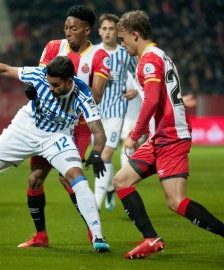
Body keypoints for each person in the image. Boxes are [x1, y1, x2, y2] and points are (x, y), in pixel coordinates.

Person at [0, 55, 111, 252]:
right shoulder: (40, 75)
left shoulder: (82, 92)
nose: (51, 88)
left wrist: (96, 153)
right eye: (49, 84)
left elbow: (98, 130)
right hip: (25, 129)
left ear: (69, 81)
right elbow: (4, 68)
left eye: (55, 85)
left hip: (57, 136)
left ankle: (98, 237)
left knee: (77, 178)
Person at [113, 10, 224, 264]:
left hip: (171, 137)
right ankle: (151, 238)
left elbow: (152, 99)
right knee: (122, 181)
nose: (122, 44)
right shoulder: (160, 55)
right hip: (160, 137)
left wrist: (134, 134)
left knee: (176, 201)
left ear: (135, 35)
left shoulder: (148, 60)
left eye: (123, 39)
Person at [19, 5, 110, 248]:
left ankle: (94, 232)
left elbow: (97, 95)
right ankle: (41, 236)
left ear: (87, 30)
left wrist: (69, 87)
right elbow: (41, 80)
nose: (68, 32)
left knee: (68, 178)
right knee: (35, 179)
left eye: (74, 28)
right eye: (66, 27)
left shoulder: (100, 56)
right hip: (48, 124)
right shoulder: (52, 47)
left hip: (78, 125)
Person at [94, 13, 138, 212]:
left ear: (117, 32)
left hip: (116, 110)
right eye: (104, 28)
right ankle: (110, 187)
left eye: (112, 29)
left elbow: (139, 74)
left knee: (105, 155)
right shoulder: (93, 52)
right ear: (99, 31)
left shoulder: (124, 54)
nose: (108, 32)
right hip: (95, 112)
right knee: (100, 156)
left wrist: (137, 89)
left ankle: (95, 204)